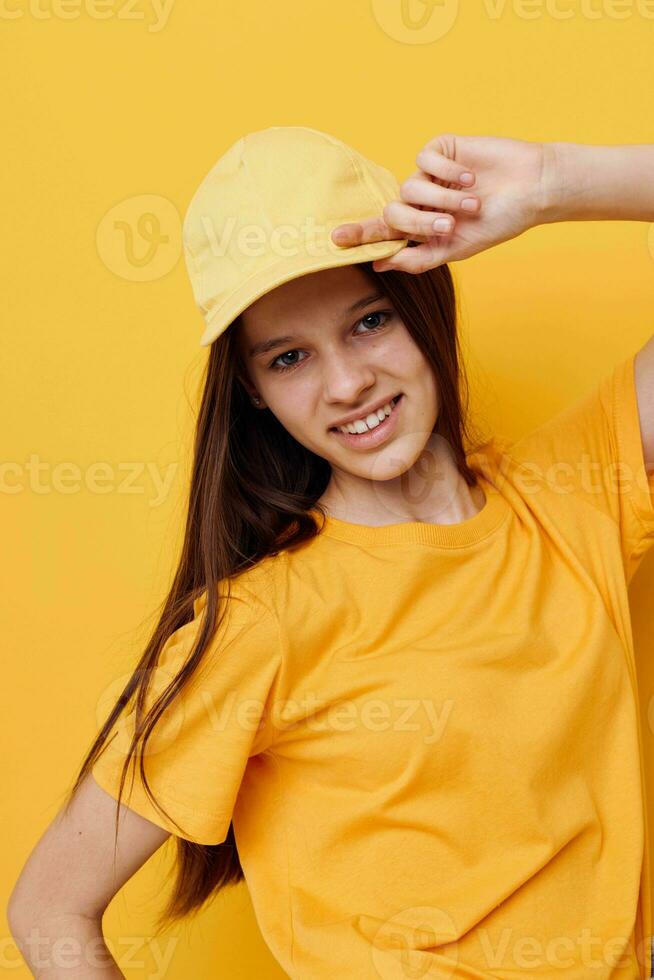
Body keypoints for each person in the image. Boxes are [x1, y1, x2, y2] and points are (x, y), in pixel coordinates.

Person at [10, 126, 654, 979]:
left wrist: (554, 183)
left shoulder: (570, 495)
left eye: (370, 321)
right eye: (289, 357)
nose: (346, 383)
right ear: (256, 394)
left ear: (425, 305)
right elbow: (49, 907)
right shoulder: (261, 622)